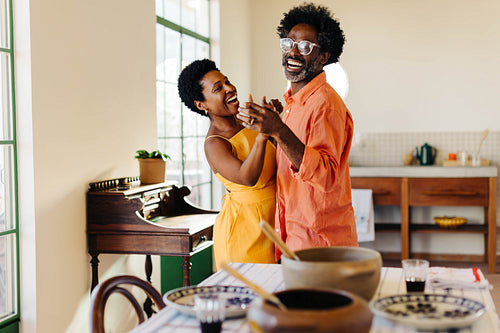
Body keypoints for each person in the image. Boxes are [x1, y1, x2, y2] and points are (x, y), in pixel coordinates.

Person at [237, 3, 358, 259]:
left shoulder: (325, 104)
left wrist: (278, 129)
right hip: (293, 238)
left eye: (305, 47)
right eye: (288, 43)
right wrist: (270, 130)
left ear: (323, 57)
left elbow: (325, 176)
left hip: (320, 244)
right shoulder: (293, 103)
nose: (292, 52)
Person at [177, 59, 277, 269]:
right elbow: (246, 177)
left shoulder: (247, 124)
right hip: (245, 231)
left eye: (227, 82)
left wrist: (275, 123)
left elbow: (274, 160)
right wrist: (263, 135)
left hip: (272, 223)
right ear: (201, 104)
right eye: (218, 88)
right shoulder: (215, 143)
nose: (230, 89)